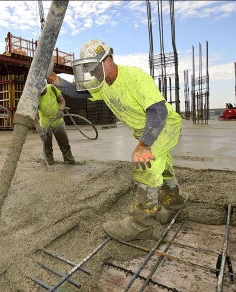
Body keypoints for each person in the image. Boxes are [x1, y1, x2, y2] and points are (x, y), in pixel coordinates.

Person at [46, 39, 185, 242]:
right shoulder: (102, 84)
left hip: (162, 124)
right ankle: (176, 209)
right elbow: (78, 91)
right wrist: (52, 78)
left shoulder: (134, 77)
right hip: (144, 129)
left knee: (145, 164)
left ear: (108, 60)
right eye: (89, 69)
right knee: (163, 169)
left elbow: (158, 110)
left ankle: (141, 225)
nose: (93, 73)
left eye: (94, 68)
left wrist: (144, 144)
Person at [34, 80, 75, 165]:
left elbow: (62, 101)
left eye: (42, 90)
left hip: (58, 121)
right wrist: (40, 131)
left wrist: (60, 110)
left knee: (64, 143)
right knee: (47, 146)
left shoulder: (52, 88)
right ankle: (49, 162)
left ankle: (69, 160)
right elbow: (34, 116)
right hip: (45, 125)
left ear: (45, 86)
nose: (41, 92)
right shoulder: (35, 96)